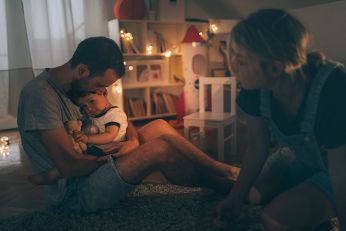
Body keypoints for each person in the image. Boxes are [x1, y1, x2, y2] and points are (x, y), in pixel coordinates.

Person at [18, 36, 238, 212]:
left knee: (159, 126)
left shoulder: (82, 85)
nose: (102, 91)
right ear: (83, 70)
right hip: (76, 192)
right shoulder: (41, 95)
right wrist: (123, 154)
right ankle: (227, 185)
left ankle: (223, 172)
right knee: (159, 148)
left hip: (97, 163)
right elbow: (69, 167)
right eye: (100, 85)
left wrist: (132, 140)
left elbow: (117, 116)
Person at [216, 9, 346, 231]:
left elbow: (340, 172)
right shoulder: (254, 88)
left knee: (274, 218)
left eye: (242, 60)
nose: (233, 67)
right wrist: (235, 197)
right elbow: (257, 147)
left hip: (338, 165)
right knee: (251, 194)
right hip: (300, 158)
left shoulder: (334, 87)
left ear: (275, 68)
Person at [28, 88, 128, 185]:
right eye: (83, 106)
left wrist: (88, 138)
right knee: (74, 157)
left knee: (84, 163)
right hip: (96, 150)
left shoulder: (114, 114)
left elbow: (109, 135)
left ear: (104, 93)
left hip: (110, 152)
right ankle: (62, 170)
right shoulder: (96, 113)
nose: (88, 108)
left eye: (91, 101)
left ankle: (54, 175)